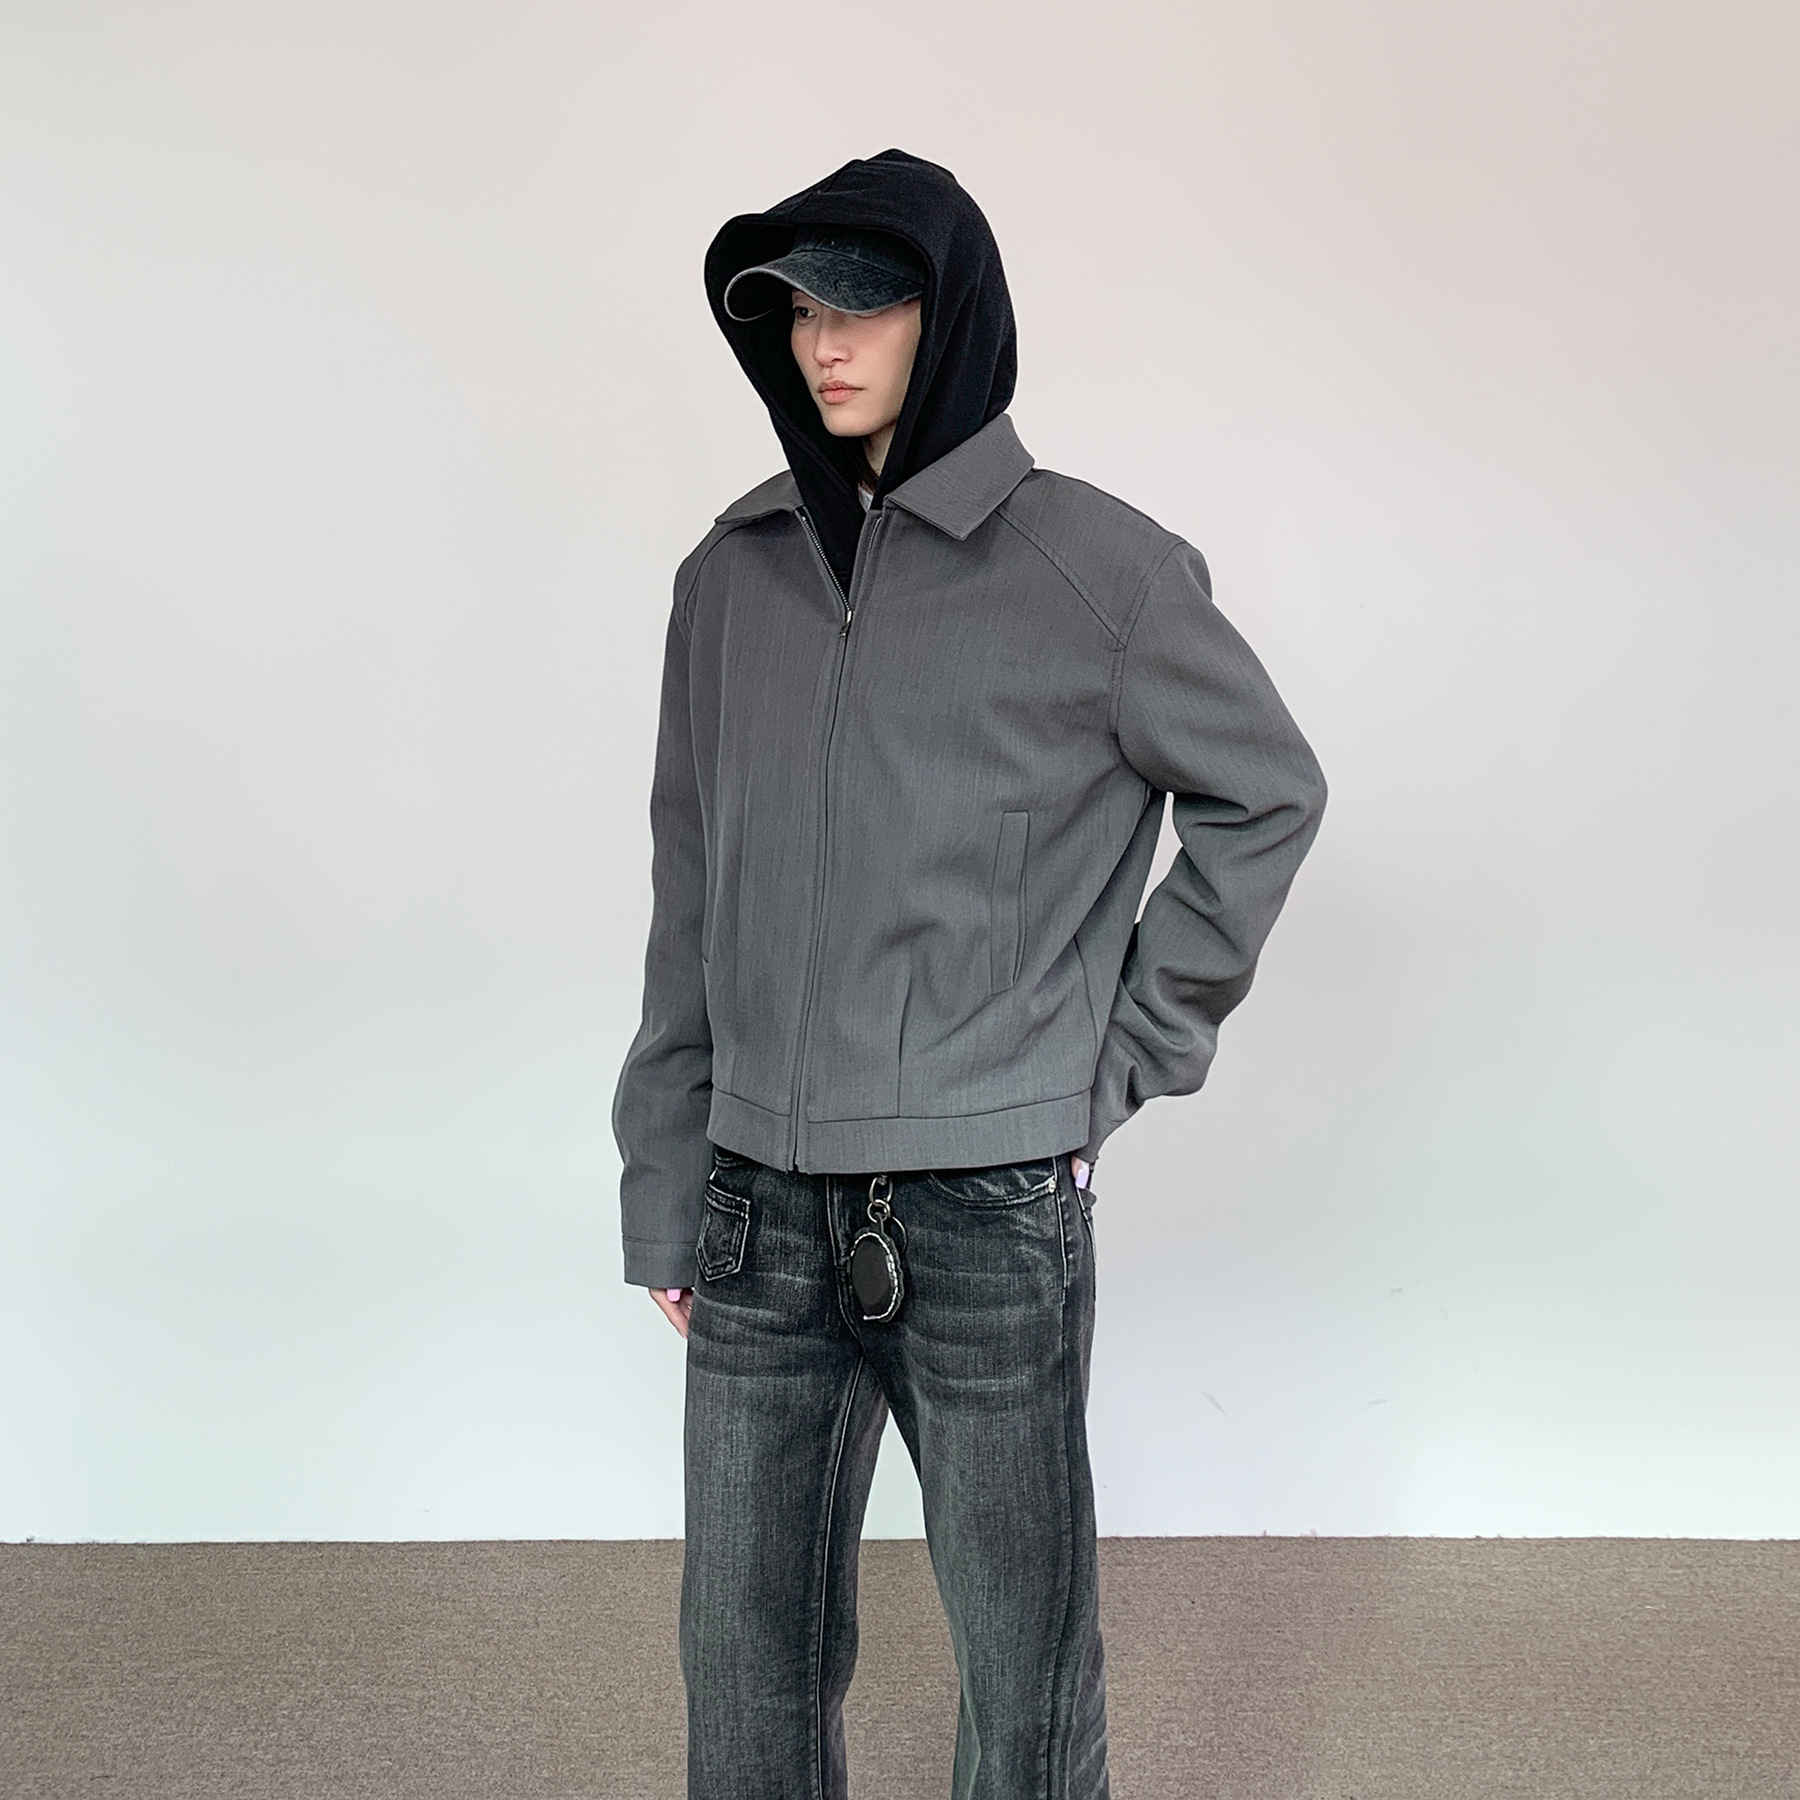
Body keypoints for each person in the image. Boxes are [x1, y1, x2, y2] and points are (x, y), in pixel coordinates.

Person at [612, 148, 1327, 1800]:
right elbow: (689, 888)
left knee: (1025, 1680)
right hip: (756, 1207)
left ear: (957, 319)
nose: (824, 342)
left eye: (867, 304)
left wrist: (1117, 1056)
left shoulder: (1102, 575)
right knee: (745, 1674)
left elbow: (1267, 794)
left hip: (986, 1211)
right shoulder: (729, 579)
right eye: (798, 309)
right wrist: (666, 1172)